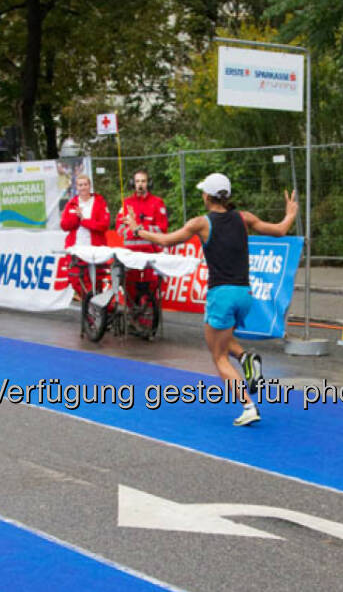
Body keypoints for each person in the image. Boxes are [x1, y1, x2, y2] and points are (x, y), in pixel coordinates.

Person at [126, 173, 299, 427]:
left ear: (208, 196)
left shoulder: (201, 223)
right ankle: (246, 358)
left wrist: (137, 229)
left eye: (203, 193)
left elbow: (165, 241)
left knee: (217, 356)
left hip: (222, 295)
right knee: (222, 339)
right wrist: (290, 213)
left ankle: (248, 405)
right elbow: (280, 230)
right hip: (245, 294)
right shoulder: (244, 217)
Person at [115, 168, 169, 309]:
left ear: (148, 183)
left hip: (150, 254)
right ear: (133, 183)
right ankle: (133, 319)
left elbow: (162, 229)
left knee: (150, 291)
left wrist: (139, 229)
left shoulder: (157, 203)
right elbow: (119, 229)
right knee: (130, 288)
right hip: (131, 255)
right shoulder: (126, 203)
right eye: (137, 181)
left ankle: (147, 322)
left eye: (143, 181)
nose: (140, 184)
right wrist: (133, 230)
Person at [60, 172, 111, 298]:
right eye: (80, 185)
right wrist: (76, 219)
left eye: (85, 184)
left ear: (90, 186)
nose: (83, 187)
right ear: (76, 187)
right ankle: (89, 301)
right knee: (75, 278)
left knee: (97, 280)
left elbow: (104, 225)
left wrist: (84, 220)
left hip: (95, 248)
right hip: (77, 249)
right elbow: (64, 226)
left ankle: (96, 307)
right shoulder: (72, 204)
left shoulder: (99, 202)